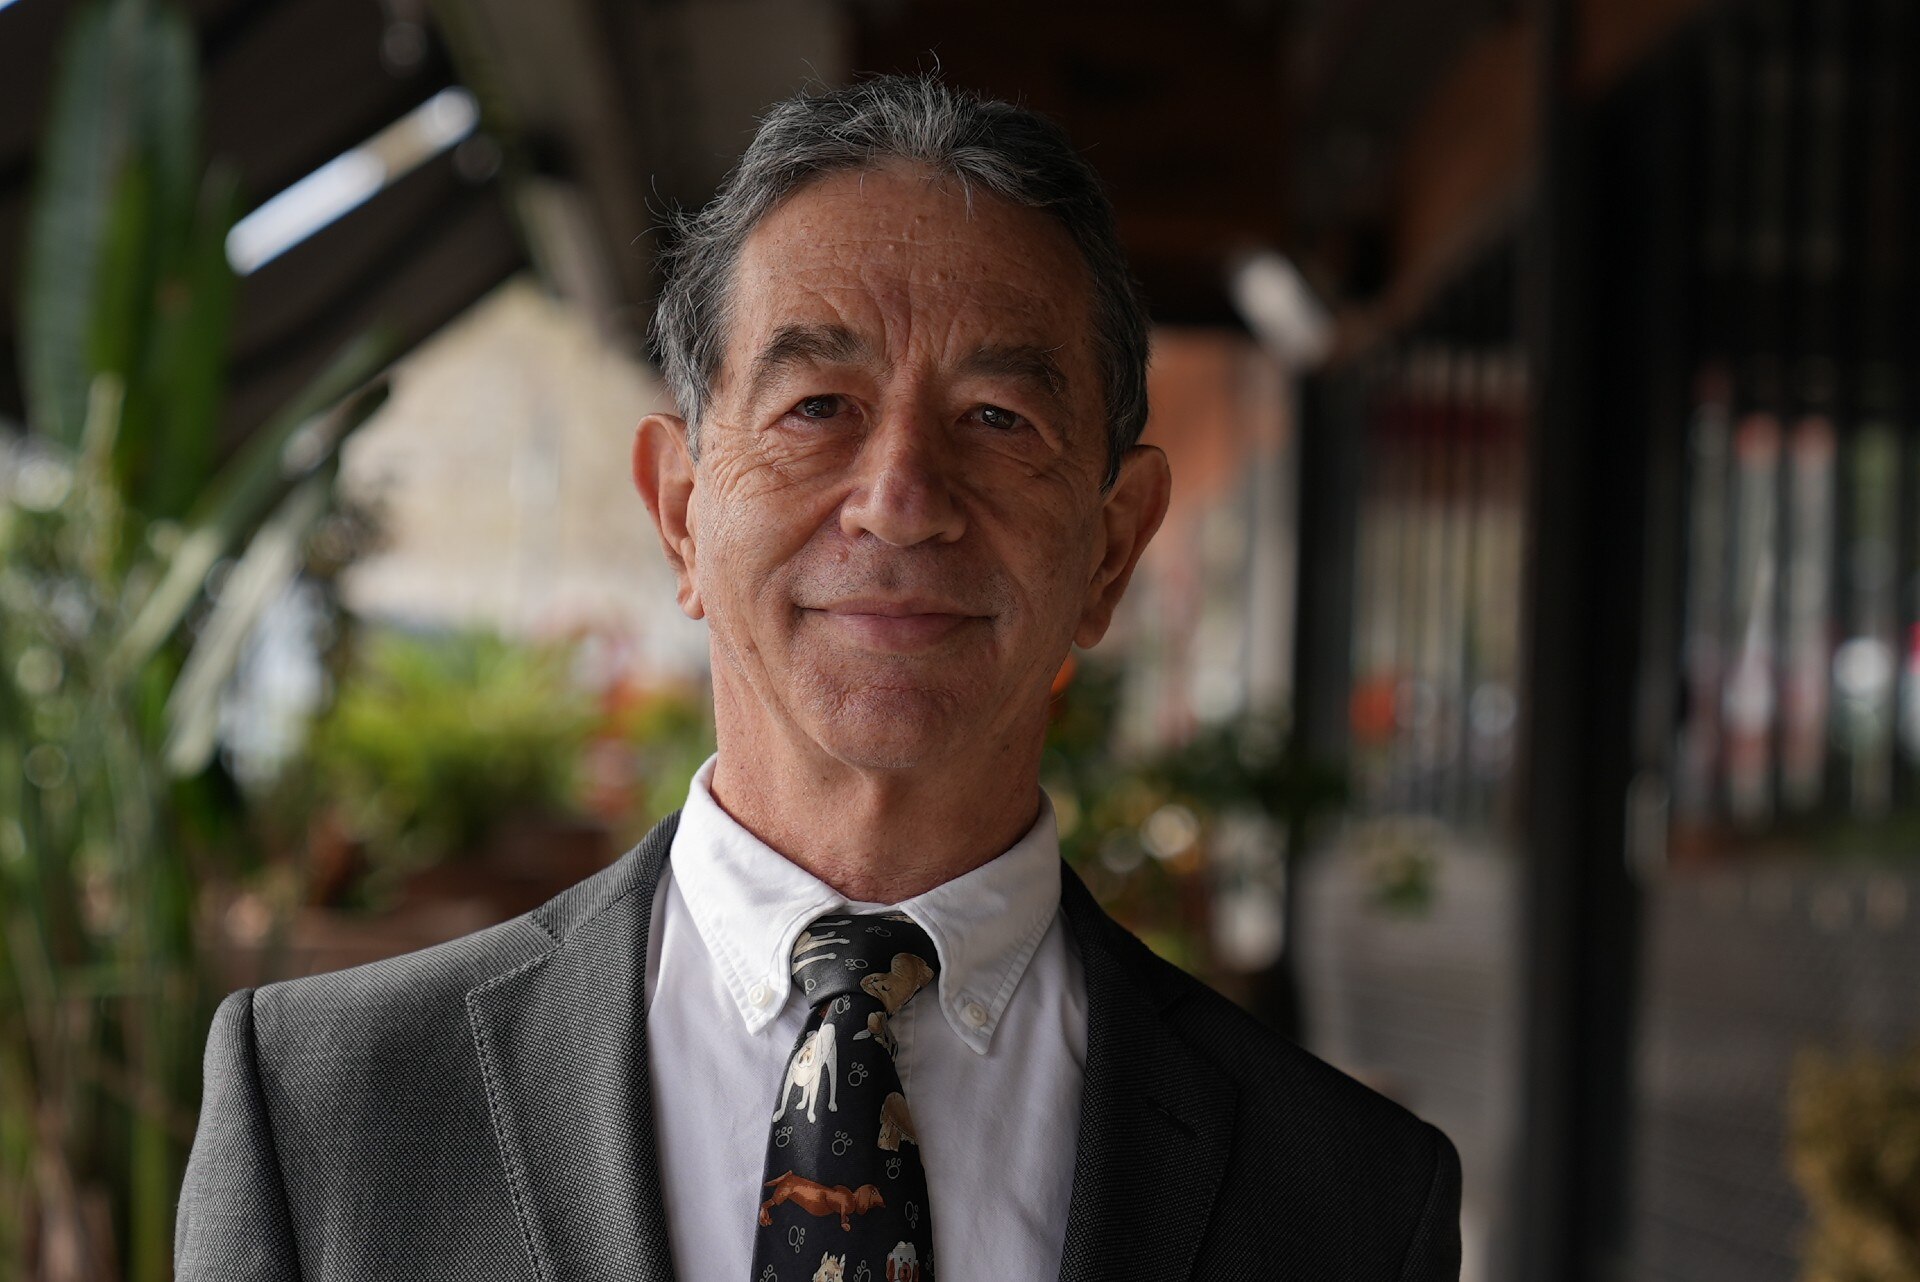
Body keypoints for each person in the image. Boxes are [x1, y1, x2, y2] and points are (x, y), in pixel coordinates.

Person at [175, 74, 1461, 1282]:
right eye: (816, 406)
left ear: (1112, 545)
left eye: (999, 420)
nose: (900, 501)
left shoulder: (1345, 1197)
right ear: (680, 511)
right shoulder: (330, 1111)